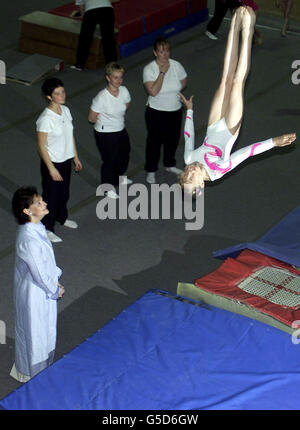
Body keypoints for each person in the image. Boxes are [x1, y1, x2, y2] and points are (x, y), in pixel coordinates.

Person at [179, 7, 296, 195]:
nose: (190, 170)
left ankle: (235, 23)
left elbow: (188, 137)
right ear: (201, 185)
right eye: (191, 177)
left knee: (225, 78)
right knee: (237, 82)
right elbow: (246, 153)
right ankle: (248, 31)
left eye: (185, 173)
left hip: (213, 124)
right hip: (229, 128)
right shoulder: (217, 170)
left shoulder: (189, 159)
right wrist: (274, 142)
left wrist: (190, 111)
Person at [10, 186, 65, 383]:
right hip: (35, 294)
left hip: (39, 288)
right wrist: (54, 288)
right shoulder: (29, 239)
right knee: (37, 336)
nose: (45, 204)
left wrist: (55, 279)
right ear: (27, 210)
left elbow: (45, 264)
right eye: (39, 203)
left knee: (40, 334)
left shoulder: (35, 229)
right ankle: (36, 378)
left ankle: (35, 371)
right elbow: (40, 273)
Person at [36, 78, 82, 243]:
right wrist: (51, 169)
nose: (62, 95)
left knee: (64, 193)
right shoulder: (45, 119)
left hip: (65, 160)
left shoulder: (66, 111)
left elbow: (70, 136)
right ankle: (47, 227)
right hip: (53, 163)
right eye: (57, 93)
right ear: (49, 97)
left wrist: (75, 156)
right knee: (51, 196)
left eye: (62, 91)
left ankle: (61, 217)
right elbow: (42, 147)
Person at [143, 37, 187, 184]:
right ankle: (151, 170)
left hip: (175, 111)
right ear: (155, 53)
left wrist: (173, 94)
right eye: (161, 51)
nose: (165, 54)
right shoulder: (149, 69)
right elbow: (153, 91)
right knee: (154, 142)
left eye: (167, 50)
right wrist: (162, 73)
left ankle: (169, 164)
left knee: (173, 139)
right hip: (156, 112)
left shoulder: (176, 65)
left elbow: (183, 82)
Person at [88, 62, 132, 199]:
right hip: (105, 133)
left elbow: (126, 105)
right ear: (108, 78)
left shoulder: (124, 91)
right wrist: (106, 121)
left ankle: (118, 177)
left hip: (120, 128)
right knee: (110, 160)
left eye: (120, 77)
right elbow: (91, 118)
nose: (119, 80)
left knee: (124, 154)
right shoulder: (101, 97)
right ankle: (107, 187)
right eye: (115, 77)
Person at [71, 0, 119, 71]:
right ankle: (112, 65)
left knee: (85, 39)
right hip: (107, 9)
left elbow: (81, 5)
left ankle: (79, 65)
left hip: (91, 11)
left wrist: (83, 15)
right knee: (108, 38)